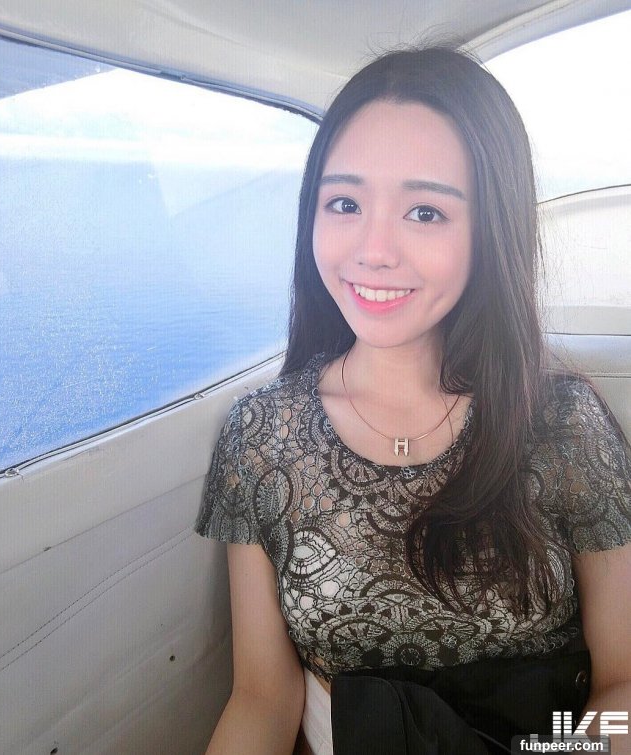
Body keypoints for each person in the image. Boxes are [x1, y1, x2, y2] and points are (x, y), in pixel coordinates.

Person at [194, 46, 631, 754]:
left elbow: (624, 681)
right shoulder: (261, 436)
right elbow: (262, 698)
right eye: (345, 203)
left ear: (490, 230)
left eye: (425, 212)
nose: (374, 250)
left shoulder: (563, 424)